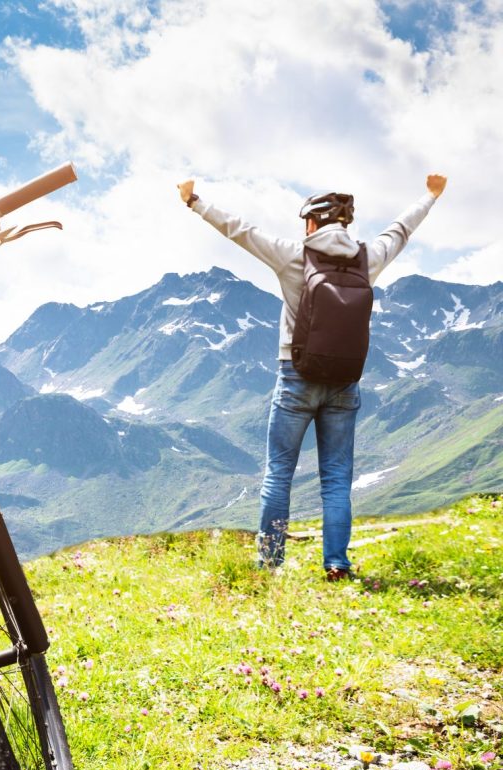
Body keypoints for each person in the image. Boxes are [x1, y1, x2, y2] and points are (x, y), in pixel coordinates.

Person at [176, 174, 447, 579]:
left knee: (279, 473)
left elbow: (240, 231)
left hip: (295, 375)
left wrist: (194, 201)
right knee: (337, 478)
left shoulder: (294, 255)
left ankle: (270, 565)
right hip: (344, 381)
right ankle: (336, 564)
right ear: (345, 223)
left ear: (312, 223)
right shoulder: (367, 257)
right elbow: (400, 230)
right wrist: (430, 195)